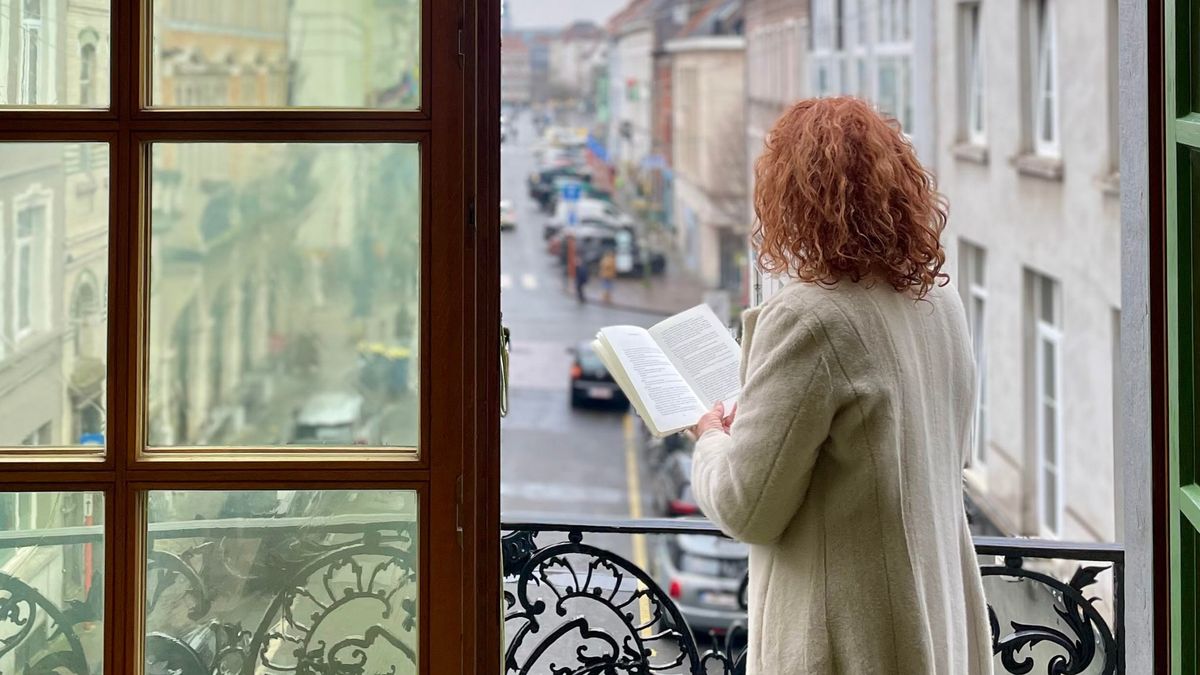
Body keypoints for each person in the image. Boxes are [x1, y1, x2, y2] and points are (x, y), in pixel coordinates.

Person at [689, 97, 992, 675]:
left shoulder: (811, 317)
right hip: (933, 617)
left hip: (846, 641)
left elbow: (743, 505)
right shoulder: (938, 301)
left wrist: (707, 435)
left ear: (791, 199)